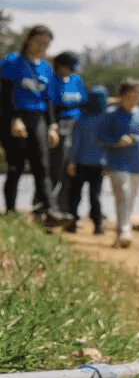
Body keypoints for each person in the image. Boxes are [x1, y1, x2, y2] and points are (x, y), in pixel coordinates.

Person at [2, 25, 60, 218]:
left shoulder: (46, 68)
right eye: (38, 41)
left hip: (38, 118)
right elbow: (4, 93)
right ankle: (10, 211)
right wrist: (14, 119)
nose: (41, 46)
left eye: (46, 44)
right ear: (28, 39)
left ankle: (48, 210)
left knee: (42, 165)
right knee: (16, 166)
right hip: (15, 117)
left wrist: (52, 125)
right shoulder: (12, 62)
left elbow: (49, 99)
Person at [99, 78, 139, 248]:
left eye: (138, 95)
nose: (134, 98)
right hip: (116, 161)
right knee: (123, 195)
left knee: (130, 198)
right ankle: (125, 231)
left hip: (138, 162)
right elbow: (102, 137)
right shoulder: (110, 114)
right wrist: (118, 141)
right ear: (122, 96)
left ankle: (122, 231)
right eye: (131, 95)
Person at [63, 85, 109, 234]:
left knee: (75, 194)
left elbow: (75, 143)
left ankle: (72, 223)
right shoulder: (107, 119)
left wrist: (71, 162)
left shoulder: (81, 118)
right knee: (95, 196)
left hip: (80, 162)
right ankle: (97, 225)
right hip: (99, 164)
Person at [48, 51, 87, 214]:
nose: (70, 71)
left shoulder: (76, 80)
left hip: (76, 127)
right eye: (68, 67)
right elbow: (51, 105)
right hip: (59, 127)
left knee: (71, 172)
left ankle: (65, 208)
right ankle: (45, 207)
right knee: (55, 169)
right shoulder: (52, 80)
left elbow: (83, 101)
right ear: (60, 66)